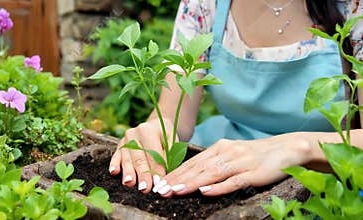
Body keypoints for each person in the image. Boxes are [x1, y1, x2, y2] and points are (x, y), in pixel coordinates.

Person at [108, 0, 363, 197]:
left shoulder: (353, 7)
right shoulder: (205, 5)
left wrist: (297, 148)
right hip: (221, 162)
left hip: (328, 179)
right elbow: (172, 116)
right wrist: (154, 133)